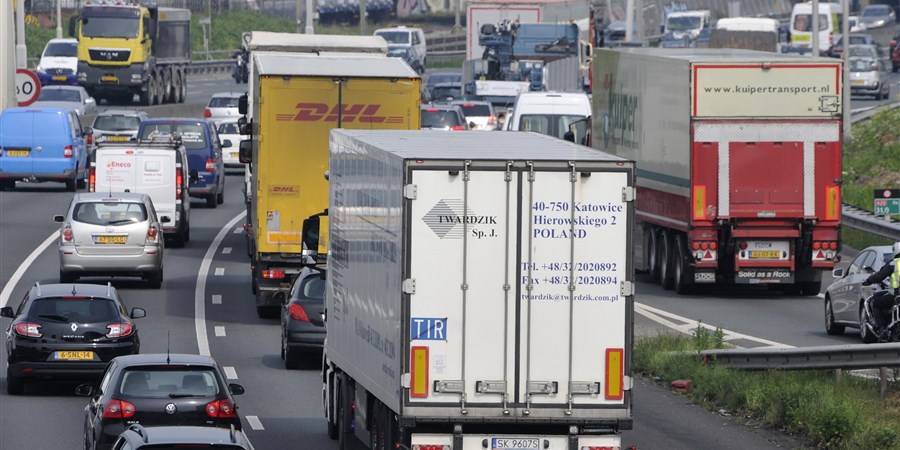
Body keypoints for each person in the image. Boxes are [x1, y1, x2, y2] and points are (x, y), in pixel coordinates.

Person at [861, 242, 900, 338]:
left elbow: (879, 276)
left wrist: (868, 281)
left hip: (895, 296)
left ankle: (882, 329)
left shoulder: (893, 264)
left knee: (875, 303)